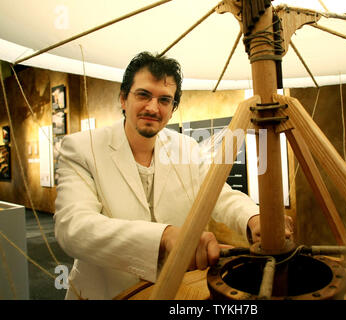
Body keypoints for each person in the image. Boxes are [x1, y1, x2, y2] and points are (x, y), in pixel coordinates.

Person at [54, 51, 291, 300]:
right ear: (123, 99)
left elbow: (218, 194)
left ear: (172, 109)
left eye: (164, 100)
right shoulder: (81, 148)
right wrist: (164, 238)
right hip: (105, 294)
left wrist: (253, 217)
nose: (153, 107)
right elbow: (73, 228)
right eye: (143, 95)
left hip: (172, 291)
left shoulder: (186, 147)